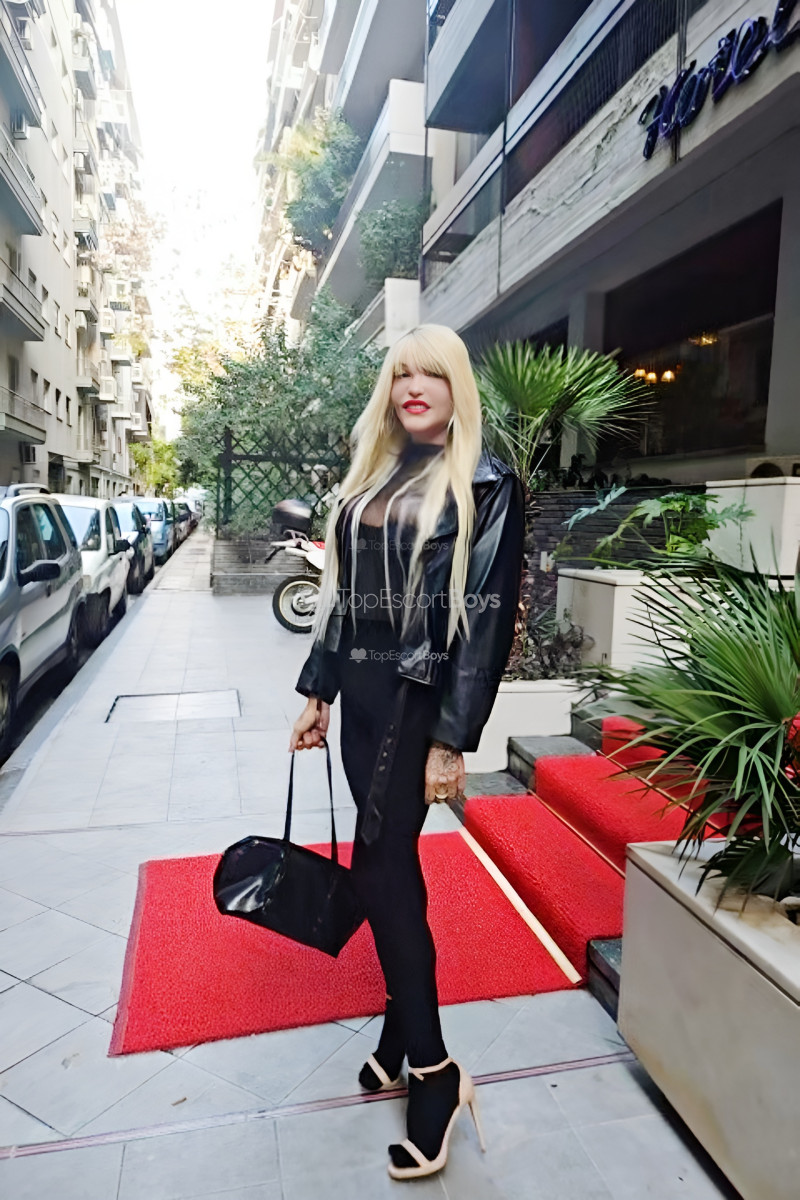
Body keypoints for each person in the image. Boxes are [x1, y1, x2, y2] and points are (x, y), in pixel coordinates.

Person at [289, 324, 524, 1180]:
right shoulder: (375, 472)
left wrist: (452, 737)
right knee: (390, 869)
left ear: (458, 387)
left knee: (380, 871)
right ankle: (399, 1033)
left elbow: (487, 622)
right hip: (358, 701)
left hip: (413, 704)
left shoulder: (488, 482)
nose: (414, 388)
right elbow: (342, 596)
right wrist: (318, 688)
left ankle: (434, 1070)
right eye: (400, 375)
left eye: (432, 374)